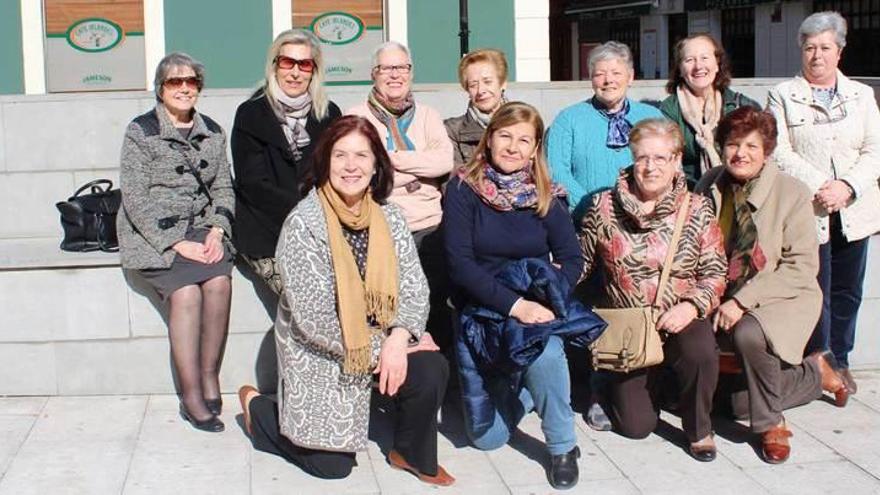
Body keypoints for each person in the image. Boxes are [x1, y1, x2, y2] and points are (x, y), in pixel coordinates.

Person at [237, 116, 454, 485]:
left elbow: (414, 286)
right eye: (340, 155)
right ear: (325, 162)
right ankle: (260, 412)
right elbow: (314, 319)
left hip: (380, 337)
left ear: (375, 166)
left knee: (431, 369)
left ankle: (409, 451)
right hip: (321, 348)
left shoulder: (390, 217)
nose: (351, 165)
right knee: (333, 468)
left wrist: (400, 339)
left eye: (361, 155)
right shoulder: (303, 223)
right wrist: (381, 347)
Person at [695, 106, 849, 464]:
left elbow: (801, 267)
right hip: (724, 292)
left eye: (751, 145)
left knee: (748, 333)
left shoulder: (792, 191)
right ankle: (814, 374)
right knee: (733, 404)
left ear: (766, 149)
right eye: (732, 144)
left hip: (782, 294)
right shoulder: (710, 184)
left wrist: (742, 301)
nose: (740, 154)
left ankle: (770, 424)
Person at [443, 102, 585, 489]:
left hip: (535, 309)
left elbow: (573, 258)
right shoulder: (462, 188)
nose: (512, 147)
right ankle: (528, 388)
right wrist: (515, 305)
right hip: (483, 310)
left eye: (524, 140)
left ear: (536, 147)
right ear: (489, 140)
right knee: (487, 440)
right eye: (505, 136)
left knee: (547, 352)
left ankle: (561, 446)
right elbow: (460, 264)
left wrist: (549, 298)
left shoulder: (545, 195)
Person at [579, 118, 727, 461]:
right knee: (636, 426)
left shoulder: (698, 208)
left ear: (676, 160)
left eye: (661, 158)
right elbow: (581, 264)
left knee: (700, 351)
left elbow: (715, 269)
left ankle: (699, 428)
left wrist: (691, 306)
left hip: (679, 314)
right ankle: (615, 387)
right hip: (628, 325)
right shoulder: (603, 207)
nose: (650, 167)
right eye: (643, 157)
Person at [118, 52, 234, 432]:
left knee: (218, 282)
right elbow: (134, 197)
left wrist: (217, 229)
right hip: (151, 236)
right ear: (161, 88)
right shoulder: (141, 130)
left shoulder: (214, 131)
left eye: (191, 82)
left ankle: (209, 375)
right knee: (187, 293)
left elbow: (223, 188)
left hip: (201, 230)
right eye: (174, 82)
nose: (184, 88)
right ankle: (191, 395)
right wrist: (174, 243)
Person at [767, 11, 880, 395]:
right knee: (814, 287)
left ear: (840, 51)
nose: (817, 55)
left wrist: (847, 186)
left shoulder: (861, 96)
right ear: (801, 50)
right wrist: (821, 186)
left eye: (825, 47)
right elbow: (778, 151)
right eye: (810, 47)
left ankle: (841, 359)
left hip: (853, 209)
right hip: (808, 210)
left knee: (848, 289)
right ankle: (818, 358)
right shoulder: (782, 95)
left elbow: (874, 150)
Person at [347, 41, 455, 350]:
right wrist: (419, 169)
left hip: (430, 224)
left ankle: (438, 377)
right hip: (383, 225)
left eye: (402, 67)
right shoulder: (357, 117)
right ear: (374, 74)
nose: (395, 75)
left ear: (411, 72)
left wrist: (389, 159)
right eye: (387, 68)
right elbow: (363, 174)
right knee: (387, 308)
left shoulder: (429, 115)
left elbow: (444, 163)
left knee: (435, 300)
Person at [232, 29, 341, 299]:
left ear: (314, 70)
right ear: (275, 65)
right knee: (306, 299)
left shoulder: (329, 114)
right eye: (287, 62)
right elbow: (252, 184)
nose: (295, 73)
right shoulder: (251, 113)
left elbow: (337, 172)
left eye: (304, 64)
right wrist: (307, 214)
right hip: (266, 230)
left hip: (321, 229)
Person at [547, 41, 663, 221]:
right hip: (585, 221)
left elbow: (669, 167)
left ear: (630, 77)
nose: (608, 80)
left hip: (645, 221)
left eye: (616, 73)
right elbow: (556, 171)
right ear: (591, 79)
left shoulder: (653, 117)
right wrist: (594, 208)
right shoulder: (567, 119)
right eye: (599, 74)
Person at [660, 34, 760, 188]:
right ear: (680, 69)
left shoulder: (741, 106)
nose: (698, 66)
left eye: (704, 58)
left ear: (717, 64)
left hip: (737, 192)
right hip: (687, 195)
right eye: (689, 60)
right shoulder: (668, 111)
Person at [445, 48, 509, 167]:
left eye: (487, 82)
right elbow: (453, 182)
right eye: (473, 85)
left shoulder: (524, 124)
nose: (481, 91)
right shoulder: (452, 131)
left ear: (503, 83)